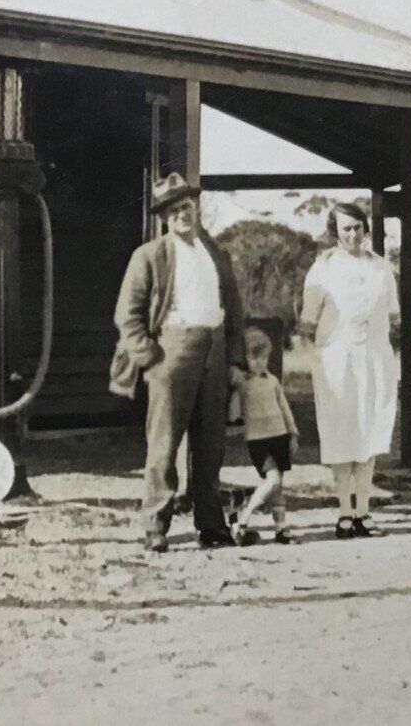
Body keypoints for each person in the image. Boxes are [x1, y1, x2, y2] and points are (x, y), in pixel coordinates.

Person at [110, 173, 246, 553]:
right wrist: (150, 357)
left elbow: (234, 312)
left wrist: (234, 360)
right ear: (165, 218)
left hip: (214, 350)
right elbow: (128, 314)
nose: (181, 215)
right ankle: (156, 525)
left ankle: (212, 525)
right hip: (172, 350)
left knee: (211, 445)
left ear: (195, 207)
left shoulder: (217, 254)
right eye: (172, 211)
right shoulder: (150, 255)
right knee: (164, 443)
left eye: (185, 206)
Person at [296, 202, 399, 539]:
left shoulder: (382, 268)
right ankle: (343, 512)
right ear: (335, 233)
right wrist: (318, 362)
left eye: (357, 228)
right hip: (335, 360)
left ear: (365, 229)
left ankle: (364, 512)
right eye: (346, 229)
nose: (353, 235)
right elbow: (307, 325)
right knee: (341, 432)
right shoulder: (322, 269)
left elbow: (394, 319)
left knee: (369, 430)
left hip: (374, 358)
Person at [232, 325, 298, 545]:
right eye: (254, 357)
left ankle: (281, 527)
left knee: (278, 487)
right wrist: (236, 381)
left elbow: (284, 407)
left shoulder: (272, 381)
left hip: (279, 435)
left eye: (264, 357)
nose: (260, 362)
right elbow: (234, 413)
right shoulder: (243, 383)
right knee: (273, 479)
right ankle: (244, 516)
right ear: (245, 357)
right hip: (258, 439)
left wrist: (293, 434)